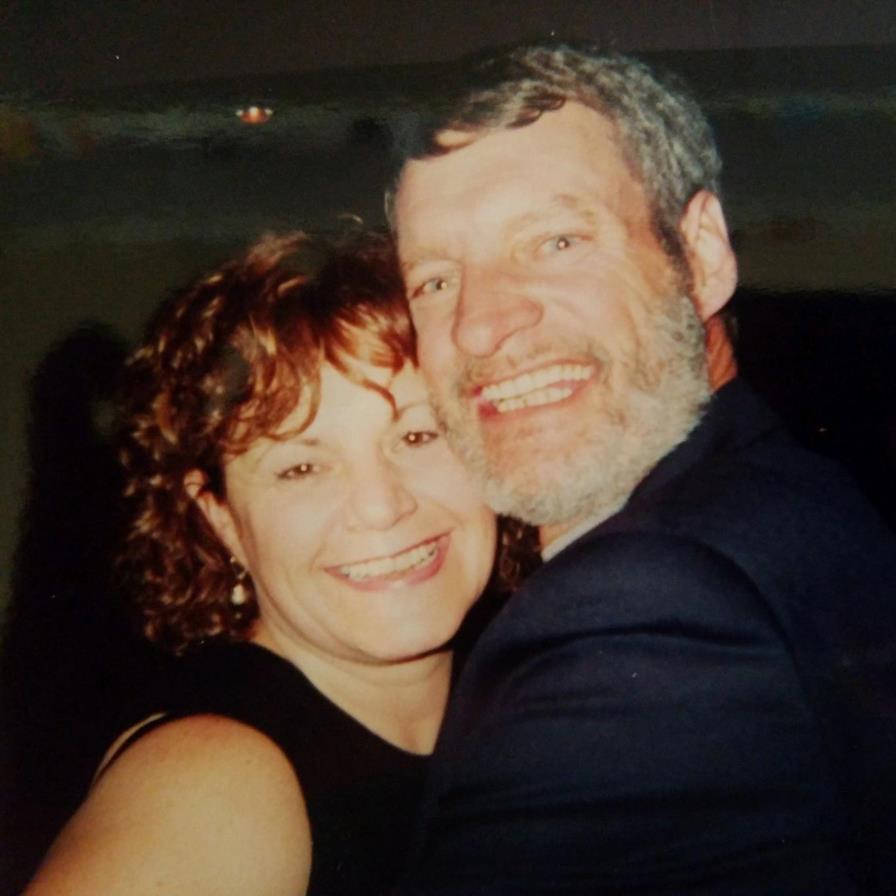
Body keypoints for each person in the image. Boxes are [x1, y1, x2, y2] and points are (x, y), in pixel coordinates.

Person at [390, 44, 896, 894]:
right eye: (435, 281)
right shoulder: (789, 499)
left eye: (554, 240)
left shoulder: (638, 608)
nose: (478, 324)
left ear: (701, 256)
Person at [22, 231, 505, 896]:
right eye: (301, 467)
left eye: (418, 435)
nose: (381, 506)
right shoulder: (210, 779)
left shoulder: (524, 701)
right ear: (220, 517)